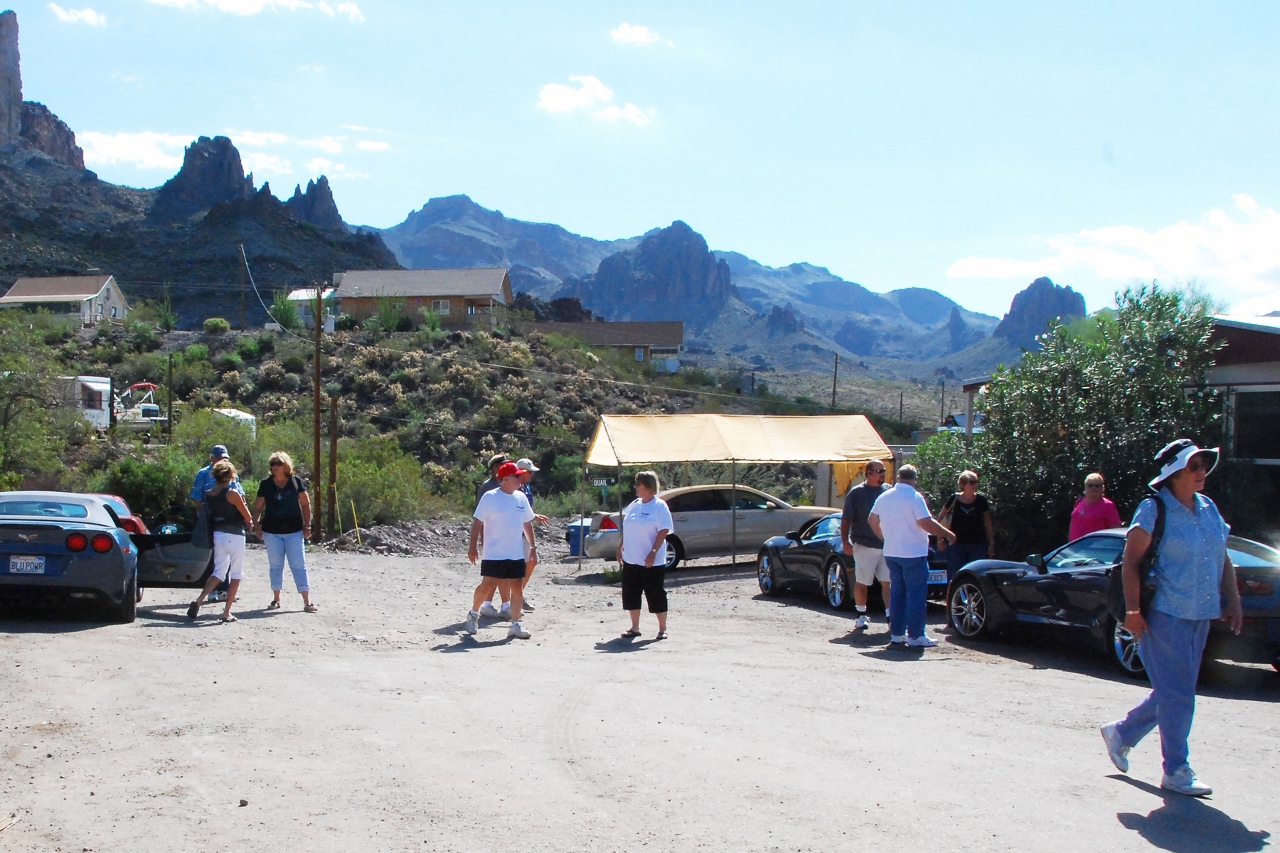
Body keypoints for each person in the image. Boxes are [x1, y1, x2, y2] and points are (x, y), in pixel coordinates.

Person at [1100, 439, 1243, 797]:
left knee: (1175, 691)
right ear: (1174, 473)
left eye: (1203, 465)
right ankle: (1176, 769)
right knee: (1179, 694)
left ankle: (1122, 732)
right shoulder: (1153, 510)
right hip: (1164, 614)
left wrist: (1233, 597)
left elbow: (1222, 556)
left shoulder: (1208, 508)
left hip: (1201, 614)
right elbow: (1131, 562)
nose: (1201, 472)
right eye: (1193, 466)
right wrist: (1132, 612)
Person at [868, 464, 956, 648]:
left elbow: (872, 519)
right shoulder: (915, 497)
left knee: (897, 594)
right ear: (915, 479)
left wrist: (884, 537)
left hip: (892, 552)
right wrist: (946, 534)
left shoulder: (885, 496)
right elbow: (925, 522)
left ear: (898, 477)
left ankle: (897, 633)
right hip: (913, 553)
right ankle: (916, 635)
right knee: (916, 594)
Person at [465, 461, 537, 640]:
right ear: (505, 479)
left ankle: (515, 624)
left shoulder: (521, 498)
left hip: (515, 552)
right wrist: (472, 547)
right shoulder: (490, 497)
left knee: (517, 587)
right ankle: (474, 613)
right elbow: (477, 522)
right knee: (487, 585)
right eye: (517, 476)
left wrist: (533, 547)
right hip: (494, 552)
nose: (521, 479)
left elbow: (527, 523)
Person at [481, 456, 550, 619]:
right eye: (528, 472)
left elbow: (520, 510)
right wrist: (483, 539)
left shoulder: (523, 489)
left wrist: (533, 517)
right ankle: (489, 604)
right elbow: (482, 516)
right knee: (498, 573)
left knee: (524, 565)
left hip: (519, 532)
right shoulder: (491, 488)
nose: (530, 475)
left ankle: (513, 600)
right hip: (503, 536)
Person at [187, 460, 255, 623]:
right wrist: (251, 522)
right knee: (236, 573)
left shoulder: (210, 494)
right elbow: (247, 516)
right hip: (235, 535)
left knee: (218, 572)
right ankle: (226, 612)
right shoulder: (232, 493)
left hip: (218, 534)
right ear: (231, 475)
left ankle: (199, 600)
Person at [251, 451, 316, 613]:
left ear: (286, 465)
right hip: (271, 531)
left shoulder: (295, 482)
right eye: (272, 464)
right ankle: (276, 599)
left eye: (278, 464)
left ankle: (307, 601)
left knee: (298, 565)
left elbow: (306, 505)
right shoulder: (266, 484)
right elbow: (258, 507)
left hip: (294, 531)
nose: (275, 467)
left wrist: (308, 525)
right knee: (275, 565)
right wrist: (256, 526)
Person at [617, 470, 673, 640]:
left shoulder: (659, 506)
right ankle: (635, 627)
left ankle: (662, 629)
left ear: (648, 486)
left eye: (638, 484)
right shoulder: (635, 504)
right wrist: (620, 546)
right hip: (632, 559)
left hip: (651, 561)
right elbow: (628, 527)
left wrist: (654, 551)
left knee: (655, 593)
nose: (636, 487)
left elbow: (664, 530)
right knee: (631, 593)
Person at [189, 444, 245, 603]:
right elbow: (196, 497)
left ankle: (223, 590)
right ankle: (214, 591)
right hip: (211, 519)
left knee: (226, 557)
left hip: (231, 520)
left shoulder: (231, 473)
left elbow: (240, 494)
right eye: (219, 458)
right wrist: (206, 514)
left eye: (224, 458)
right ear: (212, 458)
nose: (222, 461)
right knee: (215, 556)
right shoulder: (203, 474)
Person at [840, 460, 891, 630]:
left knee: (888, 582)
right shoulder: (857, 493)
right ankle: (861, 615)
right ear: (868, 473)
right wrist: (845, 541)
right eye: (878, 471)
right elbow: (846, 519)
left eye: (883, 470)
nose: (882, 474)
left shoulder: (889, 491)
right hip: (863, 544)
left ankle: (891, 616)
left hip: (886, 545)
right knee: (862, 581)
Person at [937, 470, 995, 581]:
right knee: (955, 576)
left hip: (978, 545)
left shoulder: (981, 500)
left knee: (976, 577)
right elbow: (940, 520)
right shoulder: (954, 499)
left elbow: (988, 523)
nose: (975, 485)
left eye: (976, 482)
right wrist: (940, 540)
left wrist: (991, 544)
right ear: (963, 484)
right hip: (956, 545)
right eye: (972, 482)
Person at [1069, 472, 1123, 540]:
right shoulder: (1079, 501)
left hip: (1095, 548)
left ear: (1102, 488)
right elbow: (1073, 524)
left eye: (1097, 485)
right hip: (1075, 546)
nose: (1094, 488)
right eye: (1090, 485)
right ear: (1085, 487)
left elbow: (1116, 530)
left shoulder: (1108, 505)